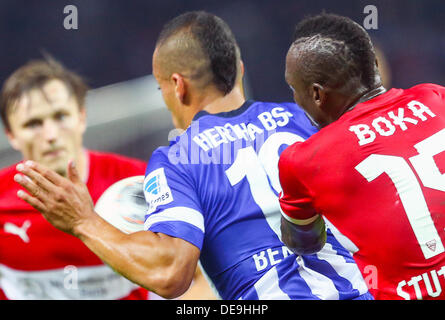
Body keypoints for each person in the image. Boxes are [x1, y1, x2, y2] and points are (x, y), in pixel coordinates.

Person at [14, 11, 372, 300]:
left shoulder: (178, 160)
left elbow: (171, 274)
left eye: (160, 87)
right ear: (240, 70)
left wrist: (83, 221)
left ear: (177, 86)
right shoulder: (305, 120)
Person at [278, 13, 445, 300]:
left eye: (295, 89)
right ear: (375, 66)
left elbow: (304, 242)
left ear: (317, 95)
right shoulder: (436, 97)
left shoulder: (304, 160)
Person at [0, 58, 151, 299]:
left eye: (60, 116)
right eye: (33, 123)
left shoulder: (139, 183)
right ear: (12, 135)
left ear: (81, 117)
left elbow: (193, 278)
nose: (50, 135)